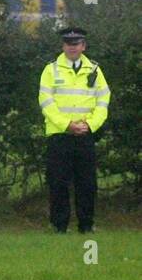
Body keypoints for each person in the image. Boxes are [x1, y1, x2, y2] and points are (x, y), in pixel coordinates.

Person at [39, 27, 110, 233]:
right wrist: (67, 124)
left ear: (83, 46)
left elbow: (103, 100)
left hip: (85, 135)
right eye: (69, 44)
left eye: (76, 44)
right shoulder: (50, 70)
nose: (72, 47)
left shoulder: (95, 70)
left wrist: (90, 125)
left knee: (87, 183)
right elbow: (46, 102)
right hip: (59, 135)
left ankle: (86, 226)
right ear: (63, 46)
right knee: (58, 182)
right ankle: (59, 226)